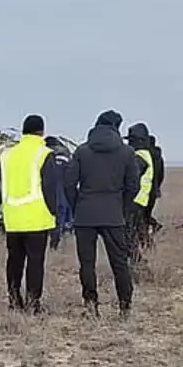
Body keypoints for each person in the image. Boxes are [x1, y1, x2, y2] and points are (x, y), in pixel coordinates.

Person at [63, 110, 138, 318]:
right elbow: (133, 185)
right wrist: (122, 206)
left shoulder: (82, 151)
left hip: (85, 214)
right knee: (120, 263)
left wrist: (77, 205)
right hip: (114, 214)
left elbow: (69, 183)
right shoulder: (127, 152)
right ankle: (125, 307)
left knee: (87, 263)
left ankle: (91, 305)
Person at [0, 115, 57, 314]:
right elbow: (51, 189)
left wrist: (1, 202)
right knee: (35, 263)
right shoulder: (44, 154)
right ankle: (33, 304)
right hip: (37, 219)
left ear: (23, 131)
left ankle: (14, 300)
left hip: (13, 218)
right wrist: (54, 214)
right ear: (42, 131)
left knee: (14, 261)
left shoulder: (7, 155)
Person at [125, 123, 154, 263]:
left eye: (131, 140)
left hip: (135, 201)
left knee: (128, 237)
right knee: (131, 236)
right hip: (139, 201)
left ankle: (139, 267)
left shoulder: (141, 156)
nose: (129, 143)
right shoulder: (145, 154)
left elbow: (132, 176)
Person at [44, 136, 73, 250]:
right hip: (62, 191)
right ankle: (55, 244)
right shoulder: (66, 156)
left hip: (46, 191)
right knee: (59, 215)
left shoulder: (44, 155)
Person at [148, 134, 165, 233]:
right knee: (147, 213)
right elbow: (161, 174)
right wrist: (157, 187)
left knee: (143, 215)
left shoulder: (147, 156)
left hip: (146, 190)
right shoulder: (159, 157)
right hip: (154, 190)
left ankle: (145, 241)